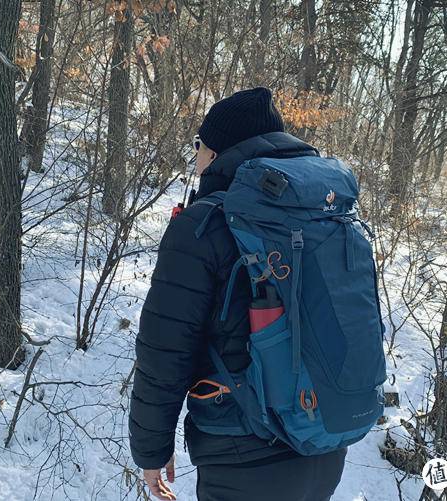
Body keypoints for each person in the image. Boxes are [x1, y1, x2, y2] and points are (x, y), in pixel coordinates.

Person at [128, 87, 348, 501]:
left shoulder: (202, 226)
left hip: (243, 456)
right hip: (325, 439)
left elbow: (164, 352)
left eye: (198, 146)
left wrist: (151, 451)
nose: (195, 158)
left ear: (215, 152)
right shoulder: (326, 214)